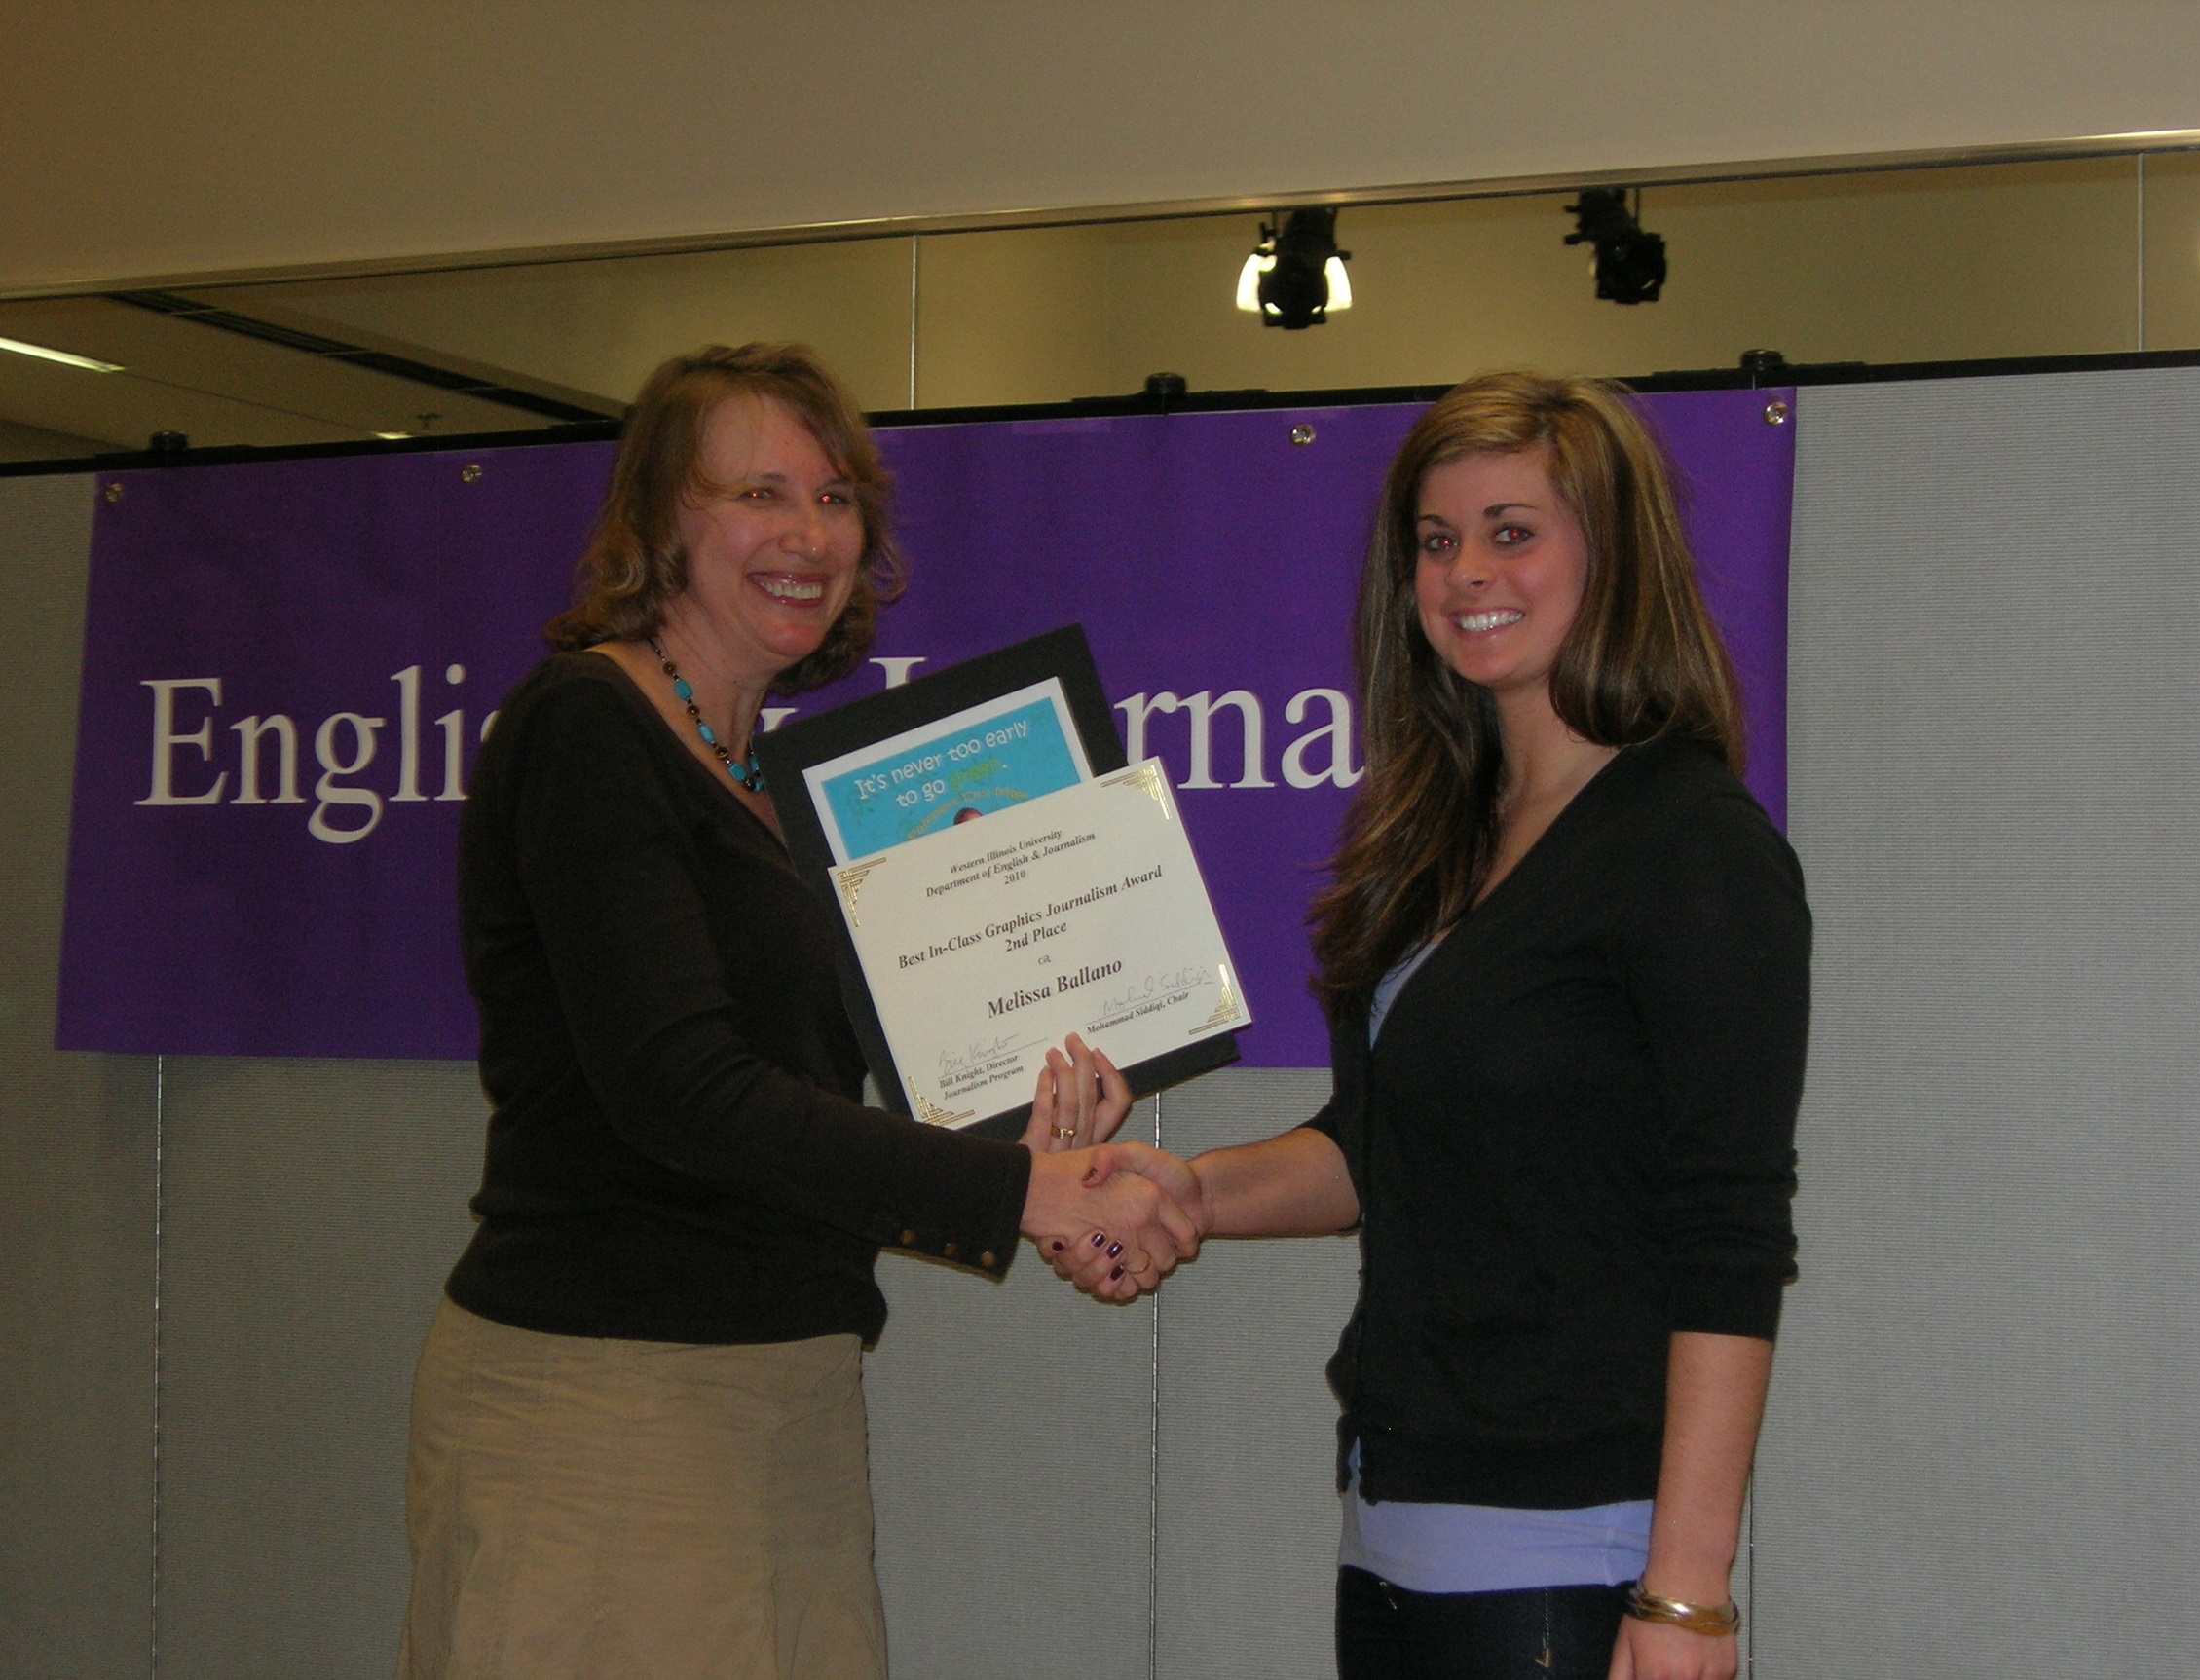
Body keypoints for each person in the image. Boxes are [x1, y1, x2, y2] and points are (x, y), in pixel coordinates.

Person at [397, 342, 1196, 1680]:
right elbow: (684, 1093)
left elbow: (814, 1096)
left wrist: (1033, 1129)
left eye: (835, 499)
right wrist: (1024, 1196)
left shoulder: (775, 782)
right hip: (609, 1400)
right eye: (758, 493)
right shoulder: (588, 725)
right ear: (661, 520)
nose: (809, 536)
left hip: (783, 1385)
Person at [1058, 373, 1810, 1680]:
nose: (1468, 574)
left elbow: (1730, 1233)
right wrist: (1185, 1190)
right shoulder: (1444, 837)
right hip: (1392, 1533)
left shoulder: (1692, 842)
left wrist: (1689, 1594)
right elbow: (1376, 1146)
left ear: (1612, 553)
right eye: (1436, 539)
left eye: (1513, 532)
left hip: (1572, 1556)